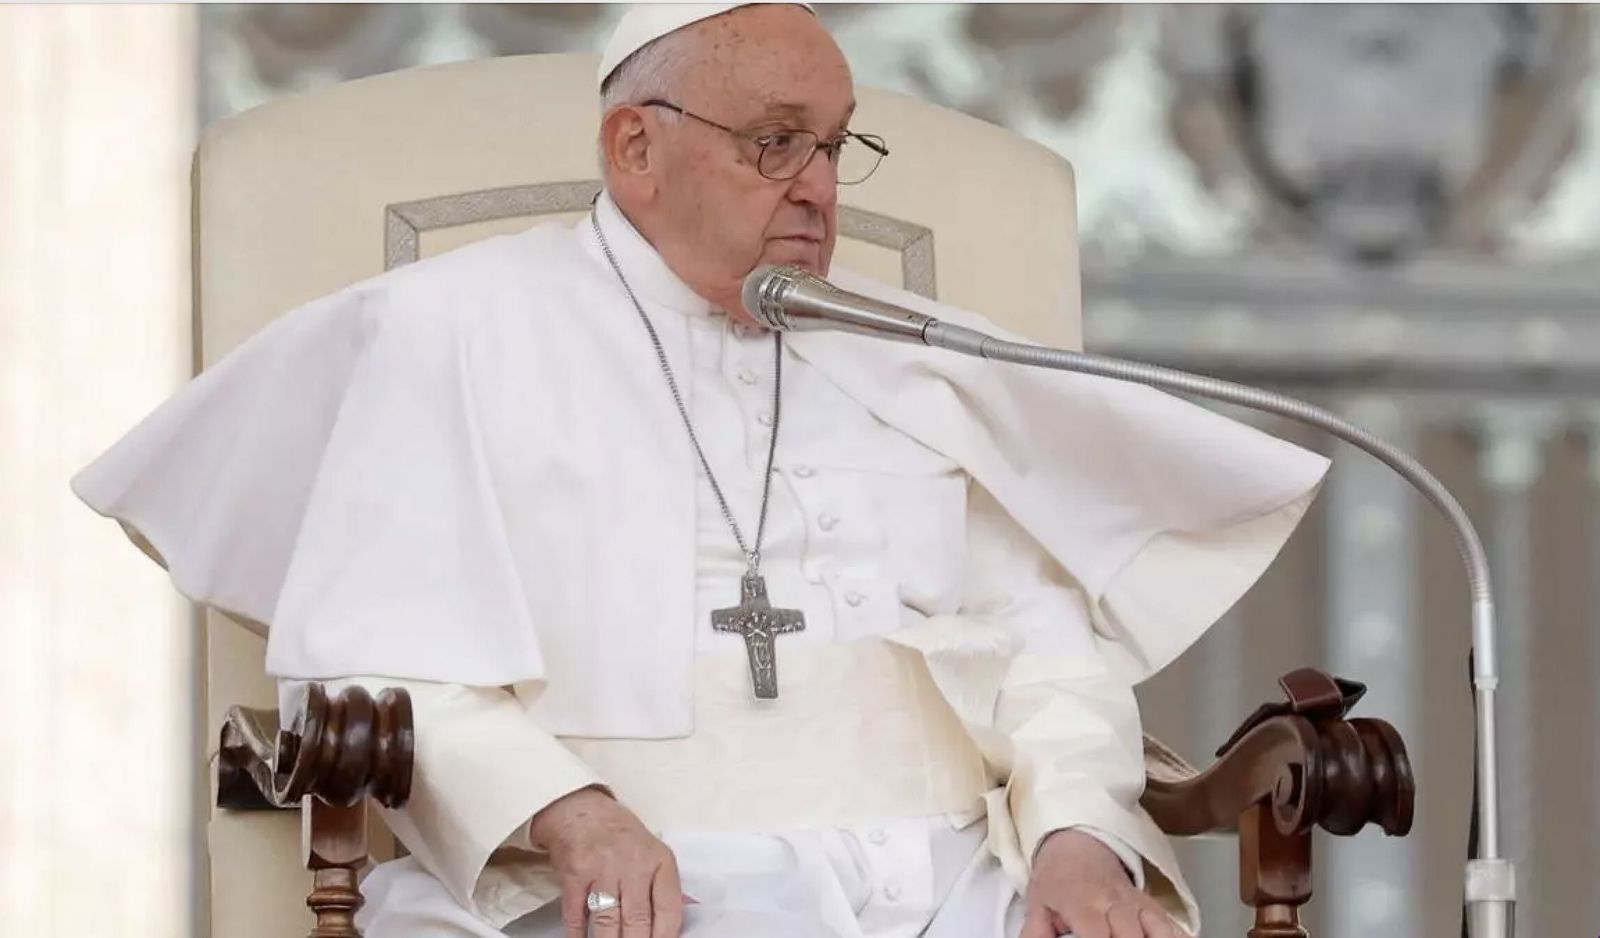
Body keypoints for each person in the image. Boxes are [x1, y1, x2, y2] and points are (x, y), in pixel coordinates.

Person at [72, 4, 1328, 937]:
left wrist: (1073, 837)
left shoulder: (899, 353)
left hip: (951, 881)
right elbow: (379, 656)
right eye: (778, 144)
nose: (821, 189)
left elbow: (1047, 642)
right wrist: (574, 813)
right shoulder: (445, 332)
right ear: (635, 149)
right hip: (617, 886)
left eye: (837, 147)